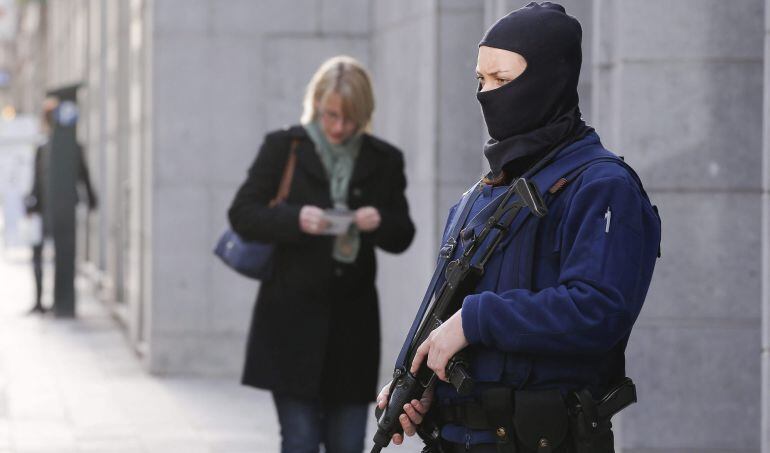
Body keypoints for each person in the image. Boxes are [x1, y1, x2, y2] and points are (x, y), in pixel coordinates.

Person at [376, 3, 661, 452]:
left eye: (503, 80)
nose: (486, 95)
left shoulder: (603, 186)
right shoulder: (480, 195)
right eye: (480, 80)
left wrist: (474, 321)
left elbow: (599, 311)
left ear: (549, 80)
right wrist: (421, 378)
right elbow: (445, 307)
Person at [228, 55, 415, 453]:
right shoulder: (285, 147)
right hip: (290, 322)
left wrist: (377, 220)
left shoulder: (383, 159)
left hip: (353, 329)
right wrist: (296, 218)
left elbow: (403, 234)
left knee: (348, 443)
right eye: (330, 115)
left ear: (363, 115)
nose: (337, 127)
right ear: (316, 104)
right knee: (299, 441)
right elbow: (242, 213)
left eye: (348, 120)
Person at [24, 97, 97, 315]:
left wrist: (91, 198)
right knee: (41, 253)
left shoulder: (66, 147)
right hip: (49, 209)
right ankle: (40, 300)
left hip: (56, 209)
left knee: (55, 254)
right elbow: (38, 180)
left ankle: (52, 300)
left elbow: (81, 175)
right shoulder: (46, 147)